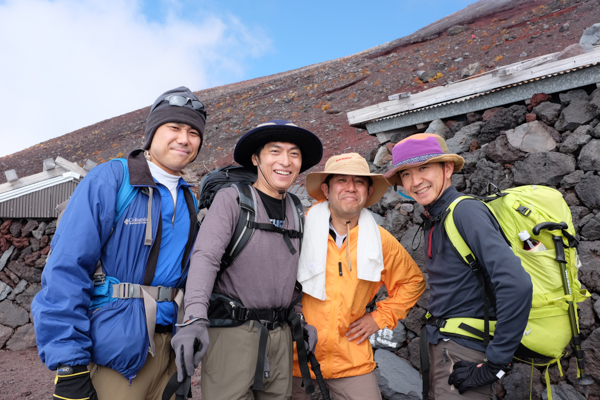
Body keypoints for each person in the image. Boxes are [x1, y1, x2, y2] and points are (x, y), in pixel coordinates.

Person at [32, 86, 206, 400]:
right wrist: (70, 366)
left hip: (171, 353)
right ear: (152, 132)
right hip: (117, 351)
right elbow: (66, 270)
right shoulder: (111, 180)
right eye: (175, 127)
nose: (184, 138)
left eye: (194, 132)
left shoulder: (189, 198)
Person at [171, 120, 323, 399]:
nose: (285, 162)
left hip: (280, 337)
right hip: (231, 334)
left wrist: (299, 317)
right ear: (256, 159)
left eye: (294, 154)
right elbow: (205, 258)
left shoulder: (297, 209)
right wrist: (194, 318)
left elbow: (292, 274)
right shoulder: (232, 200)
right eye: (274, 152)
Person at [383, 133, 533, 399]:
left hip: (465, 353)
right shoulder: (436, 217)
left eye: (424, 168)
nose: (415, 181)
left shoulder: (464, 212)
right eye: (405, 174)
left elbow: (516, 284)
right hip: (446, 348)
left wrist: (496, 364)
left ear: (448, 168)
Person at [290, 152, 425, 399]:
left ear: (367, 190)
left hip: (351, 360)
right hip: (296, 359)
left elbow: (412, 282)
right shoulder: (298, 231)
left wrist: (379, 318)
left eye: (359, 181)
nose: (351, 187)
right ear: (326, 189)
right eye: (341, 180)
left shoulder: (380, 240)